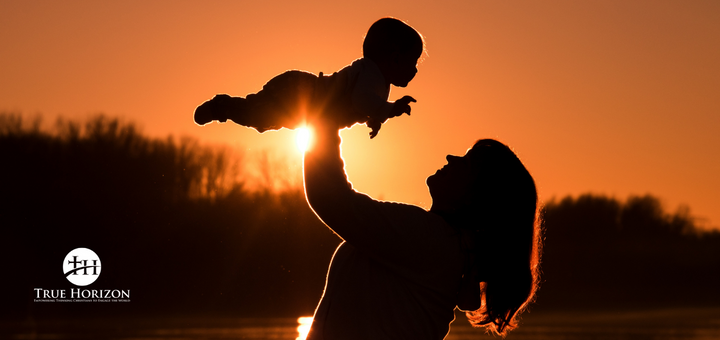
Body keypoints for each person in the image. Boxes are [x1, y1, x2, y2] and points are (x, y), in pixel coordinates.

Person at [303, 119, 542, 339]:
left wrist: (325, 117)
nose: (451, 157)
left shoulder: (433, 240)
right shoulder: (448, 249)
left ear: (475, 196)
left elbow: (331, 199)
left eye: (466, 163)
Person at [193, 17, 423, 139]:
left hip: (309, 104)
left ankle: (226, 107)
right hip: (301, 93)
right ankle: (222, 106)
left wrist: (375, 118)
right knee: (259, 114)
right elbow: (361, 101)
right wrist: (389, 110)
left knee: (264, 120)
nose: (415, 71)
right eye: (413, 64)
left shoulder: (378, 82)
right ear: (394, 58)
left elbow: (365, 105)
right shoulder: (370, 73)